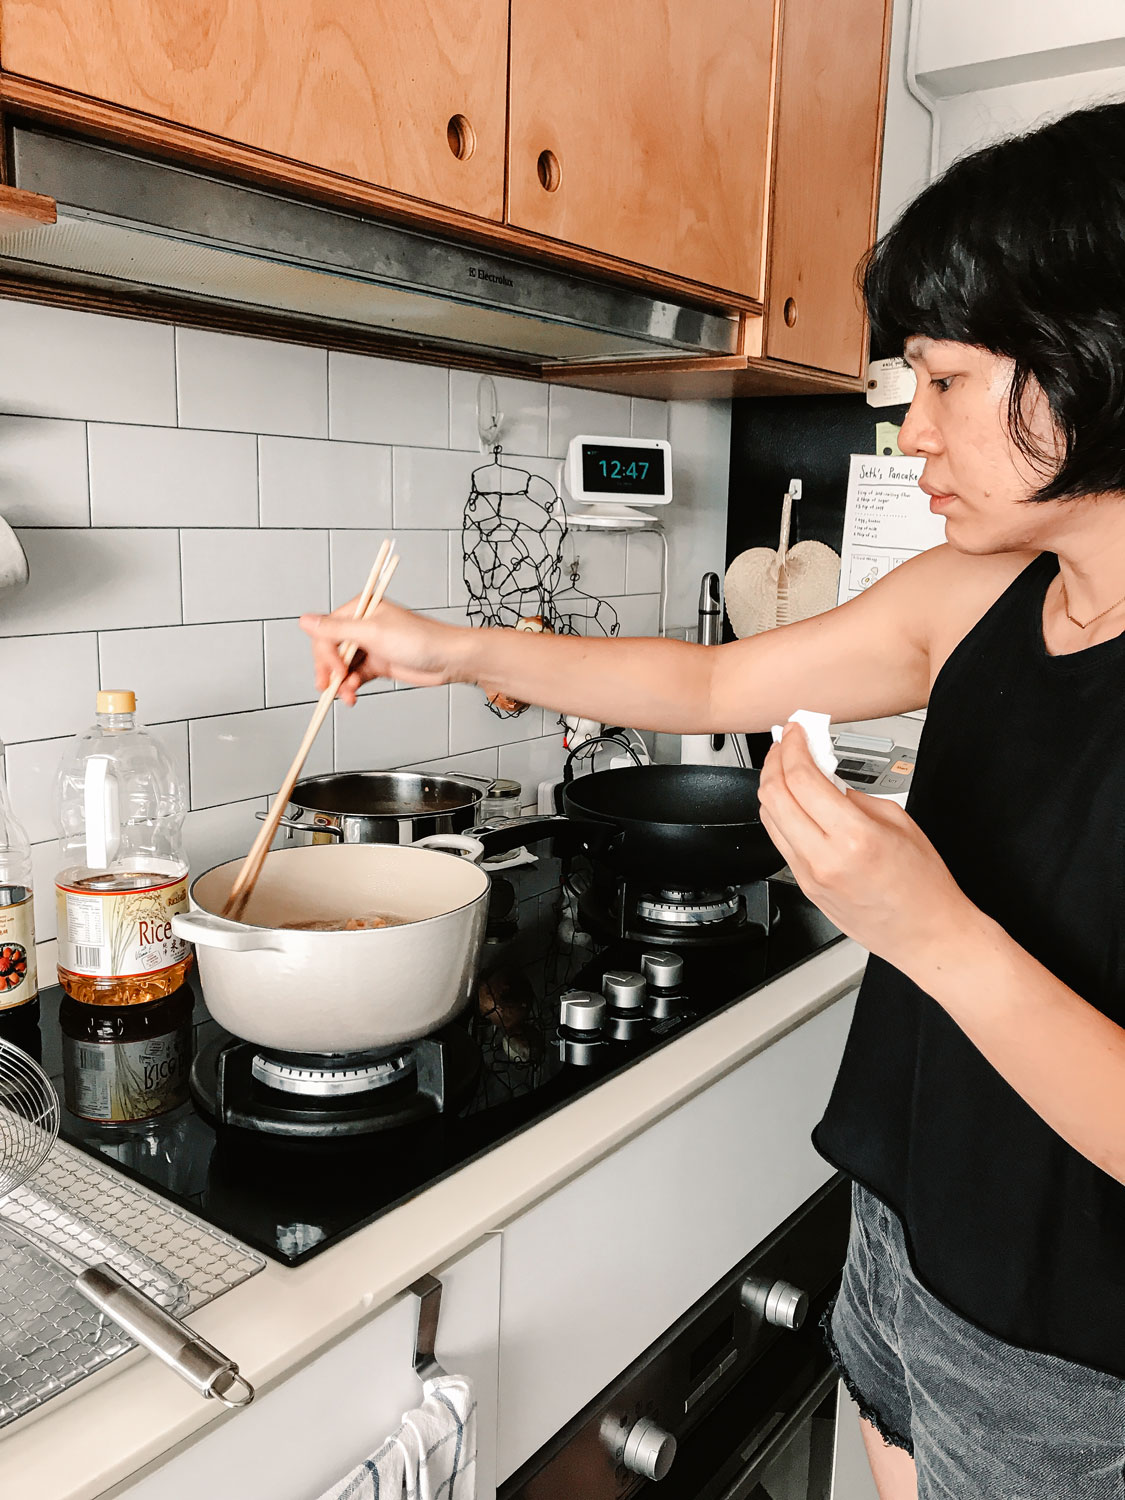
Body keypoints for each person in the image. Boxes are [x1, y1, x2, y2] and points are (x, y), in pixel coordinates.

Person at [303, 100, 1125, 1500]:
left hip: (1068, 1346)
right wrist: (454, 645)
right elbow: (702, 682)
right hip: (902, 1231)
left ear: (1091, 358)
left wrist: (925, 929)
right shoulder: (984, 595)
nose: (907, 427)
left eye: (940, 380)